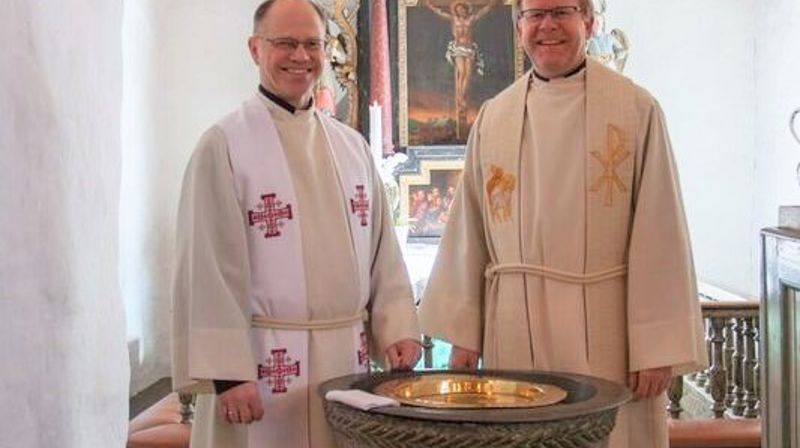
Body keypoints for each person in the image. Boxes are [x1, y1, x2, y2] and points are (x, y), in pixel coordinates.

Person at [418, 0, 707, 447]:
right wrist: (464, 335)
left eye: (562, 12)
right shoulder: (496, 117)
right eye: (535, 15)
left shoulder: (635, 109)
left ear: (588, 22)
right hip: (513, 327)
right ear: (519, 28)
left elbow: (661, 232)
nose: (547, 26)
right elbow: (468, 234)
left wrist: (655, 347)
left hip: (609, 337)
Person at [171, 1, 421, 447]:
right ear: (254, 49)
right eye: (285, 43)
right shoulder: (224, 145)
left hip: (346, 362)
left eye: (312, 44)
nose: (300, 56)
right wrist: (228, 374)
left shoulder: (352, 147)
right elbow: (206, 268)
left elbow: (382, 252)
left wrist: (396, 325)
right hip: (262, 369)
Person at [424, 0, 497, 138]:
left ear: (466, 10)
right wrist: (429, 4)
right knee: (461, 73)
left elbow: (484, 11)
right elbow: (439, 12)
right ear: (456, 11)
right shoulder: (453, 19)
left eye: (463, 9)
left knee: (467, 75)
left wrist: (492, 3)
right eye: (458, 9)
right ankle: (461, 99)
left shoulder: (471, 19)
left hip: (469, 49)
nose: (461, 11)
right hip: (458, 49)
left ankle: (461, 97)